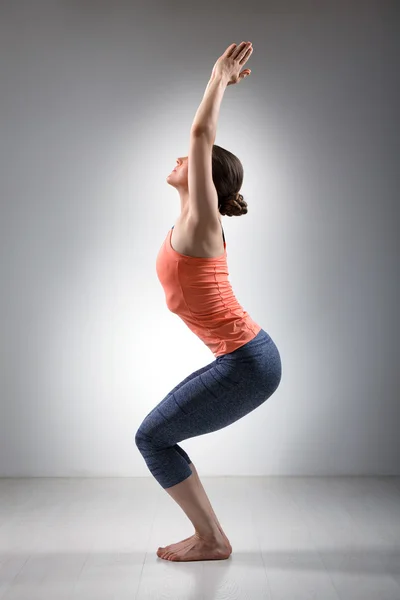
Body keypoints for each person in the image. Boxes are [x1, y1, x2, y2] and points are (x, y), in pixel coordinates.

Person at [135, 41, 282, 562]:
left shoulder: (203, 221)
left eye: (195, 163)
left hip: (248, 363)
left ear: (206, 182)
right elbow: (197, 143)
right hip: (243, 358)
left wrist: (218, 78)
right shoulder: (188, 224)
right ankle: (211, 537)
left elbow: (200, 134)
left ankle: (212, 540)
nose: (182, 157)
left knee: (152, 438)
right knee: (154, 436)